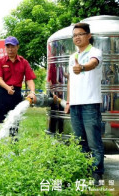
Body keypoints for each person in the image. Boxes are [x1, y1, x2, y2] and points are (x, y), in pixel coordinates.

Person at [64, 23, 104, 185]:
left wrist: (82, 67)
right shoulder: (72, 56)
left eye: (80, 34)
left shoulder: (95, 52)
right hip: (75, 104)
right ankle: (84, 169)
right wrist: (68, 100)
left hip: (90, 103)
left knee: (94, 141)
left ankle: (97, 173)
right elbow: (70, 81)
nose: (77, 37)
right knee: (80, 140)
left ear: (89, 35)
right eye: (74, 35)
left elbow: (93, 63)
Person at [0, 36, 36, 134]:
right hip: (2, 93)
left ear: (17, 47)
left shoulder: (24, 62)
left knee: (15, 121)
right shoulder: (0, 61)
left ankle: (14, 144)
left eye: (12, 46)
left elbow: (29, 79)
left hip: (16, 94)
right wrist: (7, 87)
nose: (10, 49)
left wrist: (32, 92)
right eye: (7, 46)